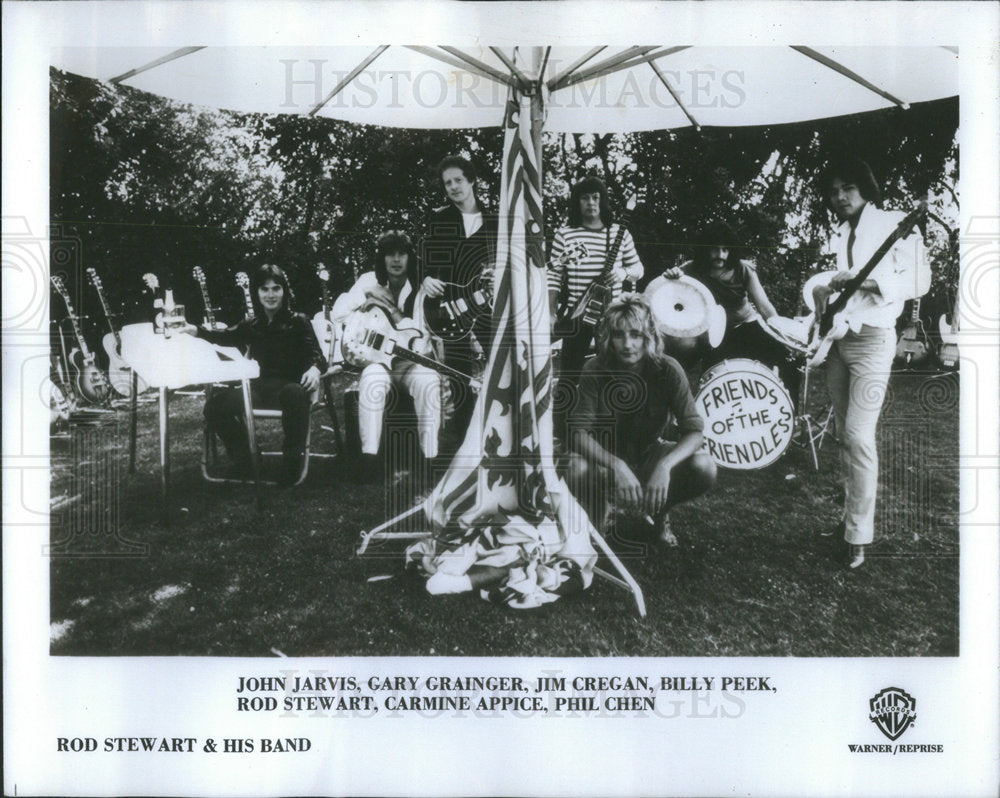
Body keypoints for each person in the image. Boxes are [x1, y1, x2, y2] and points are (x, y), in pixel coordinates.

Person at [813, 157, 929, 568]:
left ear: (865, 187)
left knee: (860, 437)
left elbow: (919, 280)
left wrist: (860, 279)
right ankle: (848, 525)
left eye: (847, 187)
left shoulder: (895, 224)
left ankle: (860, 537)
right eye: (832, 190)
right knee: (845, 437)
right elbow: (839, 286)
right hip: (838, 342)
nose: (840, 197)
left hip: (874, 342)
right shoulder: (841, 231)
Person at [564, 295, 716, 547]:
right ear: (608, 338)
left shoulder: (668, 369)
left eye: (635, 335)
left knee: (704, 466)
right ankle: (599, 508)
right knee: (574, 467)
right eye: (618, 335)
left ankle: (659, 511)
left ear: (650, 336)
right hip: (605, 456)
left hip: (648, 452)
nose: (627, 344)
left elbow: (695, 431)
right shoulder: (594, 368)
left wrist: (665, 466)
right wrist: (618, 466)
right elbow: (579, 434)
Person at [183, 263, 324, 485]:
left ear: (284, 291)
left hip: (291, 387)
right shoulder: (252, 324)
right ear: (256, 292)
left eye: (276, 288)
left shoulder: (298, 321)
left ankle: (292, 464)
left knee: (294, 394)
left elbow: (317, 355)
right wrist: (197, 331)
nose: (270, 295)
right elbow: (224, 336)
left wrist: (315, 368)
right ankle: (246, 459)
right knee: (215, 407)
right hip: (260, 388)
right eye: (264, 289)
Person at [645, 219, 801, 402]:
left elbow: (765, 307)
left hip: (747, 326)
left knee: (788, 361)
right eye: (714, 249)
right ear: (705, 249)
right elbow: (664, 289)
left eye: (725, 249)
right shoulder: (692, 268)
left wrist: (784, 336)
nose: (720, 255)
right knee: (713, 380)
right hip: (714, 334)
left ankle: (791, 413)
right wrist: (671, 276)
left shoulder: (742, 269)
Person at [334, 231, 444, 480]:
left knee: (428, 381)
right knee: (372, 380)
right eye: (389, 254)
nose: (396, 260)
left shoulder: (420, 288)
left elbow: (419, 336)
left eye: (401, 253)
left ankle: (430, 458)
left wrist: (391, 310)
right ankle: (369, 458)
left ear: (409, 257)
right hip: (377, 361)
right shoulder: (368, 280)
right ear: (381, 259)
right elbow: (338, 313)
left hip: (410, 363)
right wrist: (366, 295)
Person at [548, 176, 644, 434]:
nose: (590, 203)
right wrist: (550, 313)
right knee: (569, 374)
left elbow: (638, 268)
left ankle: (611, 430)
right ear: (576, 202)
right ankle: (560, 432)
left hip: (611, 317)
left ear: (603, 201)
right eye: (584, 197)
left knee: (613, 373)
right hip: (578, 314)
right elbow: (554, 277)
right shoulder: (565, 234)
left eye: (595, 197)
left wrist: (623, 274)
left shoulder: (618, 233)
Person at [419, 155, 498, 441]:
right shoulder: (439, 219)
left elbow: (505, 264)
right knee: (459, 376)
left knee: (500, 366)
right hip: (450, 309)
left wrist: (497, 275)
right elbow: (426, 265)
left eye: (458, 180)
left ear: (472, 181)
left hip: (485, 307)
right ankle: (461, 443)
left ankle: (497, 434)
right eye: (447, 183)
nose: (452, 187)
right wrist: (427, 280)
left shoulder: (494, 221)